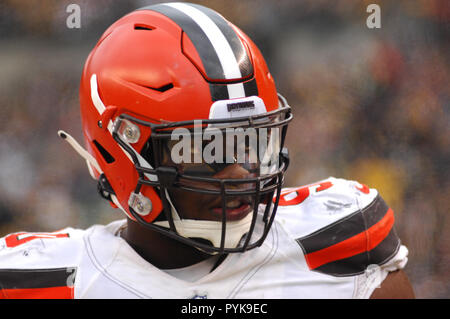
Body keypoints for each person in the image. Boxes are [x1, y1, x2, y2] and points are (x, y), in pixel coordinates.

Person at [0, 2, 414, 299]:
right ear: (121, 153)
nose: (240, 172)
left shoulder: (342, 244)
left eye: (250, 142)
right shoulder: (46, 281)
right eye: (206, 148)